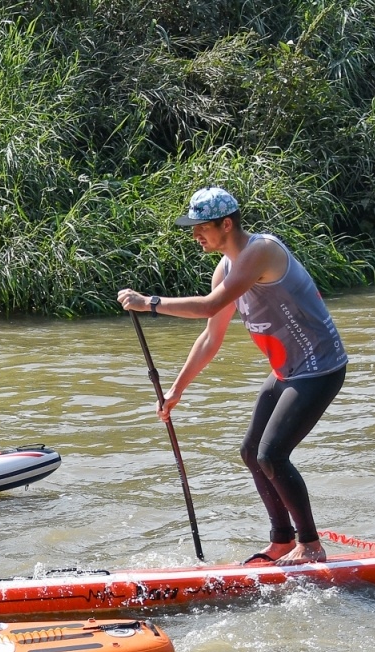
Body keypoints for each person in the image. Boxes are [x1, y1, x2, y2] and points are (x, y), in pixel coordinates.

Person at [117, 186, 349, 564]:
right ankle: (282, 540)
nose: (195, 235)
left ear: (227, 224)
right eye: (192, 228)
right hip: (288, 370)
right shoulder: (224, 268)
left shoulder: (262, 252)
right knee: (250, 453)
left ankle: (311, 544)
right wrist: (176, 390)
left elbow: (209, 306)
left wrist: (150, 303)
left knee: (272, 455)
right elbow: (211, 337)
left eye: (202, 227)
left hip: (320, 368)